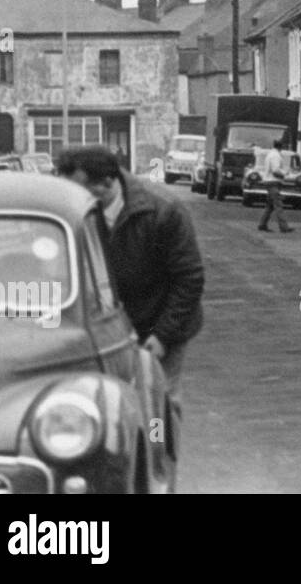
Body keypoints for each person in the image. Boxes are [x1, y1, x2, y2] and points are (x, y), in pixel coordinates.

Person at [56, 146, 204, 419]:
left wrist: (162, 335)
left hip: (159, 322)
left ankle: (159, 457)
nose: (73, 198)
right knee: (110, 405)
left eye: (80, 189)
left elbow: (189, 278)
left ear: (106, 183)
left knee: (159, 404)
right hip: (108, 327)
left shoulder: (163, 210)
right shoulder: (79, 213)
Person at [259, 138, 294, 233]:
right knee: (278, 205)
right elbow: (275, 170)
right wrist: (285, 173)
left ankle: (262, 224)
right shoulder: (276, 156)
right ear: (281, 146)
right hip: (273, 182)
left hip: (268, 181)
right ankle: (284, 227)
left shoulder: (270, 154)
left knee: (270, 205)